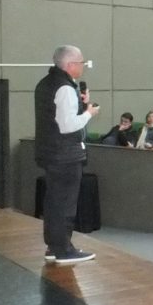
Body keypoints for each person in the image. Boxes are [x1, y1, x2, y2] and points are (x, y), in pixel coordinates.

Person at [34, 45, 100, 265]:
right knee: (65, 204)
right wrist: (88, 112)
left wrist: (79, 104)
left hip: (51, 152)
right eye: (82, 62)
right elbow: (67, 125)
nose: (83, 66)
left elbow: (55, 117)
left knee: (54, 202)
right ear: (70, 65)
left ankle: (54, 247)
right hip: (65, 155)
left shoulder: (46, 83)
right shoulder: (64, 87)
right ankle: (64, 250)